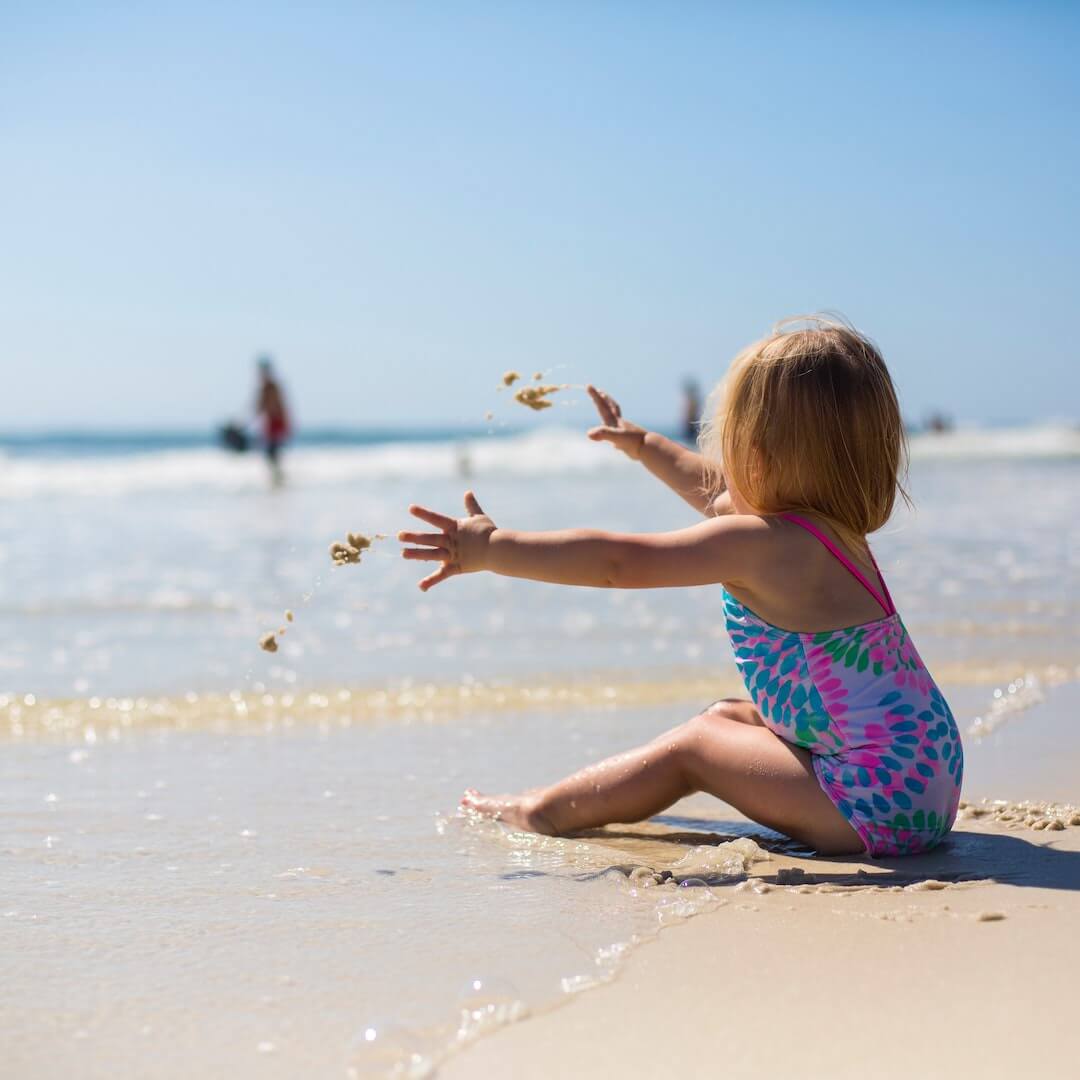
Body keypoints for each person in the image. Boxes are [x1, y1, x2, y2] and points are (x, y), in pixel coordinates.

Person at [399, 317, 963, 858]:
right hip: (923, 778)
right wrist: (644, 445)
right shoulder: (829, 533)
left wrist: (494, 549)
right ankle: (579, 801)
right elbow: (714, 491)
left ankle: (541, 811)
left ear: (758, 457)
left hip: (874, 805)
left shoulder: (766, 545)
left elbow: (618, 562)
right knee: (726, 717)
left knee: (695, 747)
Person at [255, 356, 291, 485]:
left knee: (272, 452)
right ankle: (277, 478)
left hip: (276, 423)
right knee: (271, 453)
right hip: (272, 423)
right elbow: (259, 407)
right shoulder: (267, 386)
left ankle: (278, 479)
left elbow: (273, 406)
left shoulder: (271, 386)